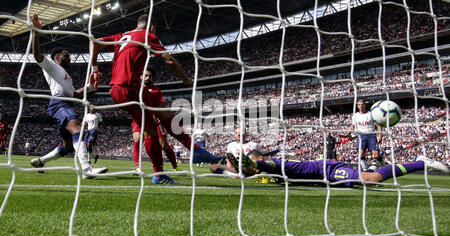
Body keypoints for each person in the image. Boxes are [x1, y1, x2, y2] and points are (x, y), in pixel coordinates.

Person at [89, 14, 221, 168]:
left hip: (133, 88)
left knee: (164, 114)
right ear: (152, 27)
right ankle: (158, 173)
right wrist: (185, 79)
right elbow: (170, 60)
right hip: (127, 89)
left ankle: (196, 150)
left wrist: (94, 69)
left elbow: (94, 42)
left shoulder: (122, 36)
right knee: (150, 131)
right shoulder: (147, 35)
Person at [30, 14, 107, 179]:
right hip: (59, 104)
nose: (69, 58)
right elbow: (37, 56)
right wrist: (36, 34)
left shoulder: (66, 76)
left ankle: (41, 161)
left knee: (68, 146)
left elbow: (75, 94)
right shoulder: (51, 66)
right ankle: (86, 170)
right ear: (57, 58)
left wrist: (91, 87)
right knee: (77, 128)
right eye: (66, 55)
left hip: (66, 104)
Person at [228, 150, 450, 188]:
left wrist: (254, 165)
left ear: (258, 158)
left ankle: (421, 163)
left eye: (253, 162)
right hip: (324, 176)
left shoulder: (273, 163)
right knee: (370, 174)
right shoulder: (266, 173)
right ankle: (374, 163)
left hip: (327, 171)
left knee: (372, 180)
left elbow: (265, 165)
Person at [341, 99, 384, 170]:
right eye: (359, 105)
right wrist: (346, 134)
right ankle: (365, 170)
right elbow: (353, 126)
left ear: (365, 105)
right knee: (361, 154)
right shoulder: (355, 116)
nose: (361, 106)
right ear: (357, 106)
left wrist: (380, 135)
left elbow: (378, 125)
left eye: (362, 104)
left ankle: (383, 165)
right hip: (361, 136)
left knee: (376, 155)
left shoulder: (371, 114)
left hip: (371, 135)